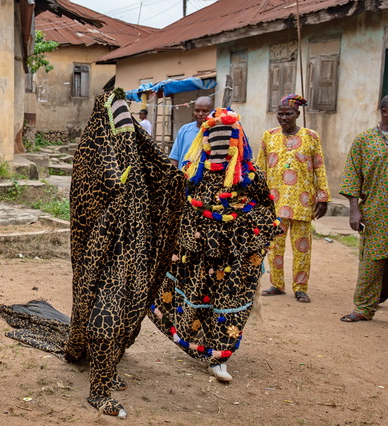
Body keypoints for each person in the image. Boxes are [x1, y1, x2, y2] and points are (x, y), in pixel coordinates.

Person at [64, 85, 183, 418]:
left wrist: (175, 179)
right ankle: (98, 391)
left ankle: (109, 370)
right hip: (104, 248)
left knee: (130, 311)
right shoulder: (92, 148)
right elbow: (85, 204)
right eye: (121, 122)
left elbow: (158, 165)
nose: (127, 130)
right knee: (107, 313)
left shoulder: (130, 138)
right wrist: (114, 186)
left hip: (135, 240)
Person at [149, 108, 281, 383]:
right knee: (196, 297)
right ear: (204, 139)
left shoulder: (249, 175)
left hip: (235, 255)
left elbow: (267, 208)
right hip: (198, 254)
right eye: (213, 136)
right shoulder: (191, 172)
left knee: (229, 301)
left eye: (228, 137)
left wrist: (242, 227)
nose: (220, 144)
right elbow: (176, 204)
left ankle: (220, 356)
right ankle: (198, 345)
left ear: (237, 141)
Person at [256, 94, 330, 304]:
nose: (284, 117)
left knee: (302, 248)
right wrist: (257, 198)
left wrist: (323, 197)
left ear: (297, 114)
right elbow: (260, 169)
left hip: (303, 203)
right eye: (280, 114)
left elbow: (319, 167)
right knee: (274, 246)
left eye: (288, 114)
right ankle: (277, 284)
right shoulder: (269, 136)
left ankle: (300, 288)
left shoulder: (311, 136)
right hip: (274, 203)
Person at [339, 95, 388, 322]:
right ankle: (364, 307)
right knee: (372, 261)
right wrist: (354, 209)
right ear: (385, 111)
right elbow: (352, 177)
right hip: (376, 211)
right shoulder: (365, 141)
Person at [169, 96, 213, 168]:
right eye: (197, 111)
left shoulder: (215, 132)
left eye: (204, 111)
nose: (200, 114)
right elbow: (174, 158)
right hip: (184, 177)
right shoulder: (184, 130)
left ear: (212, 111)